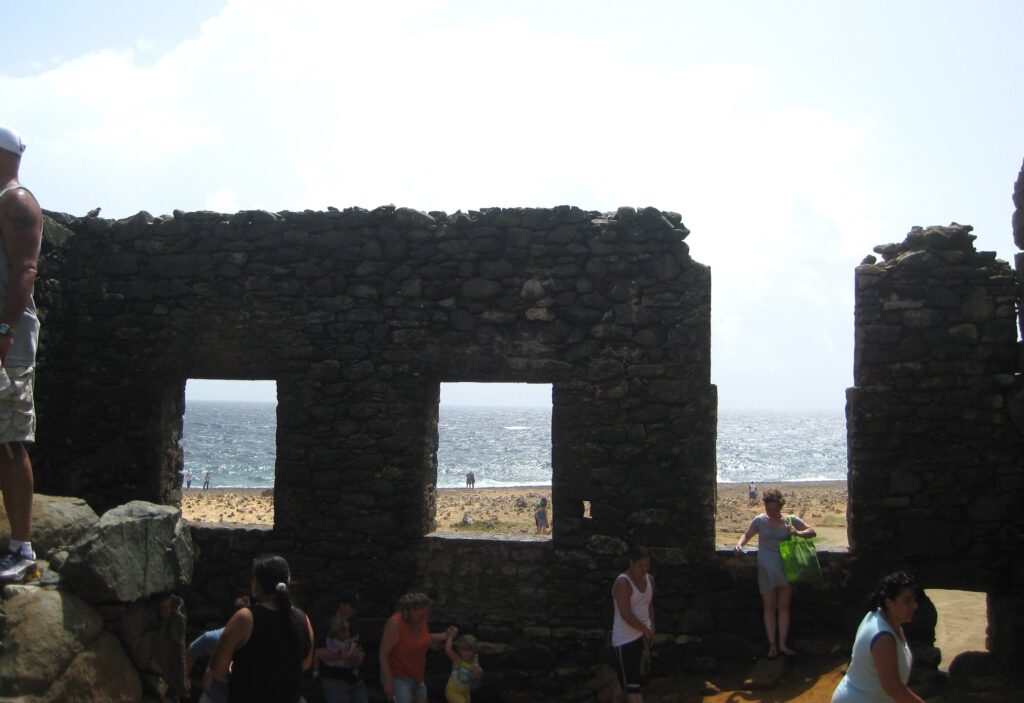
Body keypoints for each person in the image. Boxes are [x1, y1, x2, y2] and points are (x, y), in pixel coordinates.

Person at [0, 124, 43, 585]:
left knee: (9, 443)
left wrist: (4, 331)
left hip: (7, 346)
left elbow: (25, 271)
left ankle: (22, 547)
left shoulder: (16, 202)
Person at [208, 554, 314, 703]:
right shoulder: (304, 620)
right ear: (288, 582)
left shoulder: (245, 619)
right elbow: (305, 663)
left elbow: (217, 668)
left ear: (256, 582)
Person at [734, 487, 816, 658]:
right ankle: (772, 645)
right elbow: (747, 534)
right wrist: (740, 544)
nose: (771, 512)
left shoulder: (790, 520)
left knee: (783, 607)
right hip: (766, 569)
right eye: (768, 509)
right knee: (769, 607)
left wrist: (797, 532)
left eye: (774, 509)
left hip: (786, 568)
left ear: (780, 507)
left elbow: (812, 532)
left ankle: (783, 644)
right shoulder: (759, 521)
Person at [832, 571, 924, 703]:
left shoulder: (882, 616)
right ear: (888, 602)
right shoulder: (883, 637)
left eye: (913, 599)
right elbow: (894, 689)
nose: (914, 606)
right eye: (907, 601)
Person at [379, 592, 456, 703]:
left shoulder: (421, 621)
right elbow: (383, 654)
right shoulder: (395, 625)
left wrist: (446, 635)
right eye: (422, 614)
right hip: (399, 677)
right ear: (409, 611)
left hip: (417, 676)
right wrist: (388, 680)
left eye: (427, 614)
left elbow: (424, 639)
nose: (425, 618)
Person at [611, 545, 655, 703]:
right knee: (633, 688)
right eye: (640, 566)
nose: (644, 570)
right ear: (631, 563)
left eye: (647, 566)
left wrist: (651, 629)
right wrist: (646, 630)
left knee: (629, 684)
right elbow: (626, 614)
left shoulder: (650, 580)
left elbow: (649, 607)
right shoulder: (623, 583)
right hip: (625, 641)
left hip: (642, 638)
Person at [186, 596, 250, 703]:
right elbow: (192, 650)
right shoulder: (220, 637)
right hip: (213, 696)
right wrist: (186, 681)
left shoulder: (257, 638)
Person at [316, 592, 367, 703]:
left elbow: (360, 648)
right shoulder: (328, 625)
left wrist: (358, 657)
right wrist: (344, 654)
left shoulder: (354, 623)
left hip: (355, 678)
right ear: (342, 605)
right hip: (335, 679)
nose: (355, 611)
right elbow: (319, 652)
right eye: (352, 607)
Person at [444, 631, 482, 703]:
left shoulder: (475, 661)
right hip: (453, 692)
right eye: (464, 650)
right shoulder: (457, 660)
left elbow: (477, 675)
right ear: (459, 650)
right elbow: (448, 650)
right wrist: (450, 637)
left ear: (474, 650)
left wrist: (479, 673)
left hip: (465, 693)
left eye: (469, 650)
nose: (466, 653)